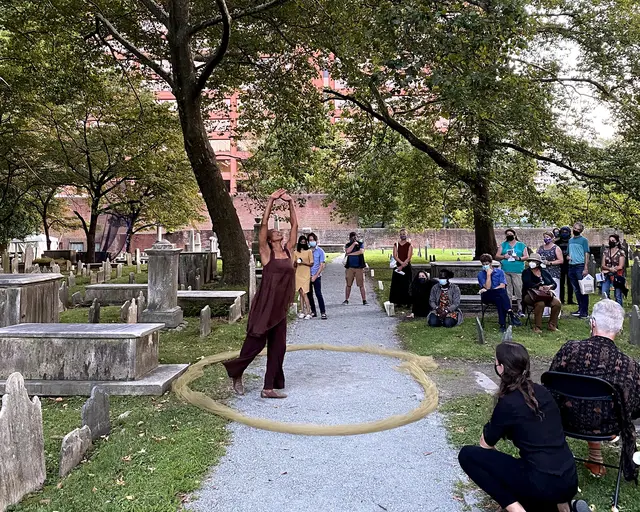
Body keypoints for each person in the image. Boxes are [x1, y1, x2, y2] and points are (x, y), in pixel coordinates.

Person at [458, 342, 585, 512]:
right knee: (534, 473)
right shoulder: (544, 392)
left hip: (541, 483)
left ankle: (516, 509)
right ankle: (565, 508)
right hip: (569, 479)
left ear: (501, 368)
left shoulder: (508, 403)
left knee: (467, 455)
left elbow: (485, 445)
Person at [549, 299, 640, 481]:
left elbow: (550, 386)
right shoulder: (629, 365)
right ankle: (595, 459)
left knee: (585, 399)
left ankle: (576, 457)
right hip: (608, 426)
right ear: (619, 330)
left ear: (592, 323)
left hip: (565, 419)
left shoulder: (570, 350)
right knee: (599, 404)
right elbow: (636, 408)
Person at [223, 189, 296, 399]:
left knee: (279, 347)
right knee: (255, 343)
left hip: (280, 308)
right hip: (266, 304)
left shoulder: (289, 251)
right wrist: (271, 200)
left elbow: (295, 226)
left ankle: (268, 387)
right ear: (270, 239)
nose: (277, 230)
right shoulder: (266, 253)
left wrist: (290, 203)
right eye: (274, 231)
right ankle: (236, 373)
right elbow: (263, 226)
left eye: (279, 230)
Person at [478, 253, 522, 332]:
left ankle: (503, 325)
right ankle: (510, 312)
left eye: (487, 264)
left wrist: (493, 289)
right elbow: (487, 287)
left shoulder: (500, 272)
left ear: (491, 263)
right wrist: (488, 275)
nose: (485, 266)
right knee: (501, 293)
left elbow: (502, 285)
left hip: (498, 295)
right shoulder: (481, 274)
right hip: (487, 296)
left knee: (499, 299)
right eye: (483, 264)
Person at [522, 254, 562, 333]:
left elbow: (554, 284)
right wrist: (538, 286)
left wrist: (549, 287)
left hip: (545, 295)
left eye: (533, 261)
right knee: (540, 303)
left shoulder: (544, 272)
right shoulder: (526, 272)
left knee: (557, 303)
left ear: (538, 263)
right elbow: (527, 284)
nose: (531, 263)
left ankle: (552, 325)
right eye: (530, 261)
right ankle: (537, 327)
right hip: (531, 295)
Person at [495, 228, 529, 315]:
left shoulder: (521, 245)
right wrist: (504, 256)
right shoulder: (503, 245)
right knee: (508, 291)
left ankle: (520, 309)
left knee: (518, 289)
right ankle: (508, 308)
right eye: (507, 234)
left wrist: (519, 258)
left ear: (514, 235)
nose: (509, 235)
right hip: (505, 270)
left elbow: (526, 257)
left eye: (511, 234)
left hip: (517, 270)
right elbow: (497, 256)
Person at [567, 222, 590, 318]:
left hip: (580, 266)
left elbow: (586, 253)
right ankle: (580, 309)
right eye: (574, 228)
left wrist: (585, 267)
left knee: (582, 289)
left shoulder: (584, 240)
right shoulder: (570, 240)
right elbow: (568, 252)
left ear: (580, 231)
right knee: (576, 289)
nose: (575, 230)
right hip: (571, 266)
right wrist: (568, 257)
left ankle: (584, 312)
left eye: (578, 229)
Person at [389, 229, 413, 307]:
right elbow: (395, 255)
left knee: (407, 284)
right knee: (397, 284)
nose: (403, 235)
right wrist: (400, 264)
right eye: (401, 234)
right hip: (398, 265)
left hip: (406, 266)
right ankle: (398, 301)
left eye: (404, 234)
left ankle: (408, 302)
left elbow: (409, 257)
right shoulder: (396, 244)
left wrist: (403, 265)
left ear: (406, 235)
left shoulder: (409, 245)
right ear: (399, 235)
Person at [601, 233, 626, 307]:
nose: (611, 241)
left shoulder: (621, 252)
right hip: (606, 275)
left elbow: (620, 266)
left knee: (618, 295)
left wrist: (612, 269)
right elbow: (603, 265)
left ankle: (619, 311)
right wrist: (610, 269)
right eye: (610, 240)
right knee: (604, 292)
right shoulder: (606, 252)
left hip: (618, 275)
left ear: (617, 242)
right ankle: (607, 309)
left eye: (613, 240)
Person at [306, 232, 327, 320]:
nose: (312, 242)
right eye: (310, 240)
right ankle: (313, 311)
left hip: (316, 275)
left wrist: (315, 275)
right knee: (309, 294)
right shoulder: (307, 251)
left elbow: (322, 265)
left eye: (313, 240)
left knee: (318, 294)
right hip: (307, 275)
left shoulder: (320, 251)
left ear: (316, 241)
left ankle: (323, 312)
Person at [344, 232, 368, 305]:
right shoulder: (348, 245)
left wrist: (350, 254)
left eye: (355, 237)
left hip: (359, 267)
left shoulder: (360, 244)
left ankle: (364, 300)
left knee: (361, 284)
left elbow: (361, 252)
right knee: (348, 284)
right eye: (352, 237)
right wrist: (353, 244)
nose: (353, 238)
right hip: (350, 267)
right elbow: (347, 251)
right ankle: (346, 299)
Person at [293, 235, 314, 320]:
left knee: (304, 293)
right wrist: (295, 262)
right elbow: (294, 265)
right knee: (301, 293)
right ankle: (302, 311)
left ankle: (308, 311)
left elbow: (311, 263)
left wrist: (303, 262)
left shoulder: (309, 251)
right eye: (301, 241)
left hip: (306, 274)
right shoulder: (295, 252)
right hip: (298, 274)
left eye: (304, 241)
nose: (302, 243)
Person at [555, 226, 575, 305]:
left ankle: (570, 299)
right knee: (561, 283)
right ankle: (561, 299)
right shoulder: (557, 243)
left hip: (570, 264)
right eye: (563, 232)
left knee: (570, 283)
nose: (564, 233)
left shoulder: (572, 242)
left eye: (566, 232)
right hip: (560, 265)